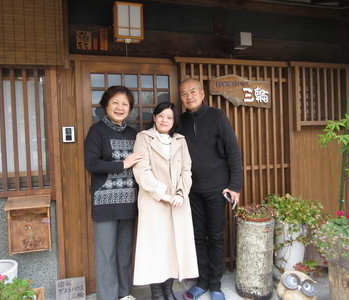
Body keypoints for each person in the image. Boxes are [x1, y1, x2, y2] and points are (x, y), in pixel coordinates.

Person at [179, 79, 243, 300]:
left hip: (217, 189)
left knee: (215, 237)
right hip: (192, 191)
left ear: (203, 93)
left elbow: (233, 150)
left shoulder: (217, 117)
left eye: (193, 91)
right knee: (197, 237)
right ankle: (202, 282)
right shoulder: (180, 122)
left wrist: (235, 186)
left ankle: (215, 285)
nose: (189, 96)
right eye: (184, 93)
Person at [132, 102, 198, 300]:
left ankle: (169, 290)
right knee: (155, 247)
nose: (164, 120)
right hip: (154, 201)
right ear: (154, 118)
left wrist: (180, 193)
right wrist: (162, 193)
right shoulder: (143, 138)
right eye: (161, 116)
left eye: (169, 117)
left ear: (173, 121)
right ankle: (157, 293)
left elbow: (187, 169)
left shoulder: (180, 140)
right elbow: (141, 170)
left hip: (177, 202)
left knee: (173, 246)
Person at [84, 85, 144, 300]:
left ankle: (124, 293)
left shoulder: (133, 134)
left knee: (124, 253)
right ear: (106, 106)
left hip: (129, 201)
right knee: (106, 255)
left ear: (130, 108)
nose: (120, 107)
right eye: (115, 103)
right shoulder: (97, 131)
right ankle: (107, 297)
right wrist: (122, 164)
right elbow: (91, 164)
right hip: (105, 202)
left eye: (125, 104)